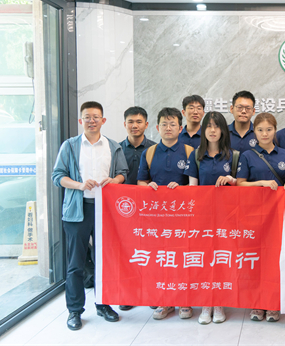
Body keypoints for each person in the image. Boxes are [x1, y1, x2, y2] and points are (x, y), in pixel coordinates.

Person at [52, 101, 128, 331]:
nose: (91, 120)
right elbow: (58, 176)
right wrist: (79, 185)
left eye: (96, 117)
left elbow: (122, 173)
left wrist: (114, 181)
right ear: (81, 120)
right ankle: (75, 310)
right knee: (76, 263)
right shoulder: (70, 146)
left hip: (106, 211)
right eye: (87, 117)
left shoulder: (113, 146)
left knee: (104, 261)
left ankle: (103, 305)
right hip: (78, 210)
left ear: (103, 120)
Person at [237, 112, 285, 322]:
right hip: (253, 214)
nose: (265, 134)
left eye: (269, 129)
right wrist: (261, 183)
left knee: (275, 259)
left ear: (275, 130)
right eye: (260, 130)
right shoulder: (247, 155)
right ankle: (257, 303)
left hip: (278, 215)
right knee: (256, 259)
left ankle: (273, 304)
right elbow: (240, 183)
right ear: (254, 131)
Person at [137, 107, 193, 321]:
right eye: (164, 124)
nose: (168, 128)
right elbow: (140, 182)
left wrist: (182, 189)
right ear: (157, 127)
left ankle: (185, 300)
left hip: (184, 217)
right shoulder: (149, 152)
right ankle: (164, 301)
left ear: (180, 128)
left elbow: (195, 185)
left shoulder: (189, 151)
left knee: (184, 257)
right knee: (162, 259)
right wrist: (148, 186)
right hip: (157, 218)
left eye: (172, 124)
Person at [184, 111, 239, 325]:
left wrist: (231, 180)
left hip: (227, 218)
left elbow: (241, 186)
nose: (213, 130)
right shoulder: (196, 156)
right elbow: (192, 188)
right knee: (205, 260)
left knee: (222, 259)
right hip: (203, 218)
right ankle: (206, 303)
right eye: (209, 126)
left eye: (217, 126)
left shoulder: (234, 156)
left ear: (223, 130)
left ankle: (220, 303)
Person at [117, 106, 156, 311]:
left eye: (139, 122)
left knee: (150, 252)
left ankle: (151, 293)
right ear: (124, 124)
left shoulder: (155, 149)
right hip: (123, 211)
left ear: (146, 125)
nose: (135, 125)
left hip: (149, 210)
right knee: (127, 253)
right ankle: (128, 295)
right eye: (131, 122)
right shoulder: (115, 149)